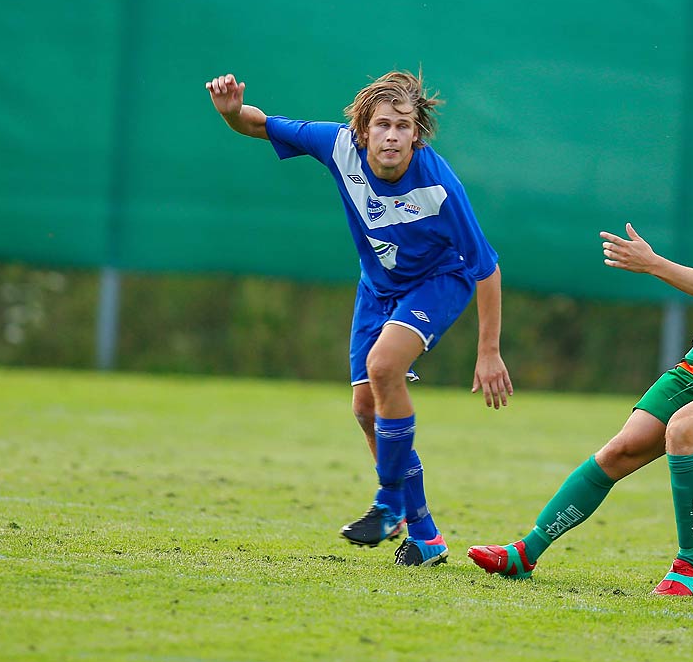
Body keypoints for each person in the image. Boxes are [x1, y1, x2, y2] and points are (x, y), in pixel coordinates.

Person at [469, 110, 693, 595]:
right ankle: (526, 553)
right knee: (619, 450)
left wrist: (653, 265)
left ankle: (692, 568)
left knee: (684, 431)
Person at [204, 70, 512, 567]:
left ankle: (389, 501)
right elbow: (260, 125)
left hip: (439, 281)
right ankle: (426, 537)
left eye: (404, 126)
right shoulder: (338, 146)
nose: (392, 135)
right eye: (384, 125)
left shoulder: (439, 184)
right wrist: (232, 112)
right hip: (377, 288)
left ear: (417, 134)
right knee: (366, 409)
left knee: (385, 366)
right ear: (363, 130)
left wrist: (489, 351)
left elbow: (487, 268)